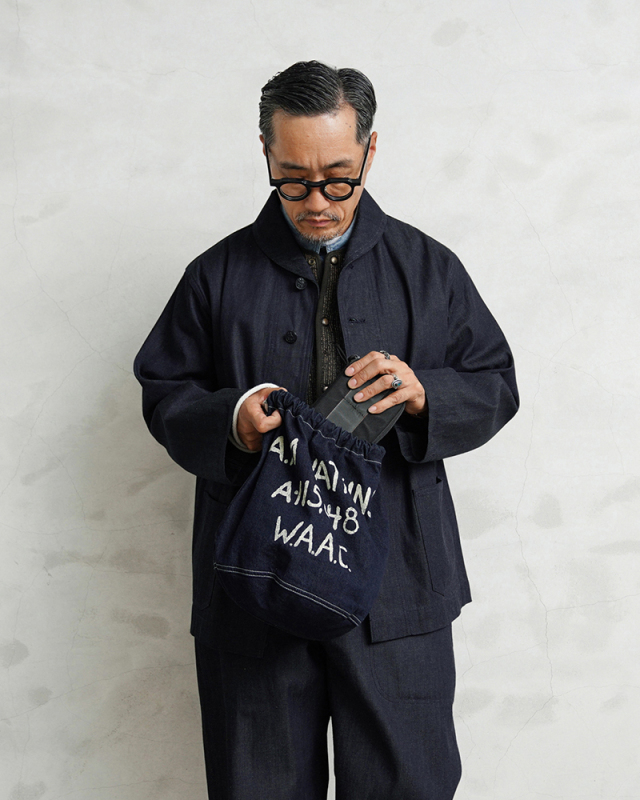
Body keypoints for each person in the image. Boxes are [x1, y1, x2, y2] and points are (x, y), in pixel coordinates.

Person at [133, 60, 518, 800]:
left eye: (339, 179)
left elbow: (495, 382)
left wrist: (423, 395)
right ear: (265, 152)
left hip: (400, 587)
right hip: (255, 584)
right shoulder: (214, 275)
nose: (317, 202)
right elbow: (163, 389)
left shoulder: (430, 269)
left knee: (409, 786)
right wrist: (232, 420)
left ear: (371, 151)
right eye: (293, 180)